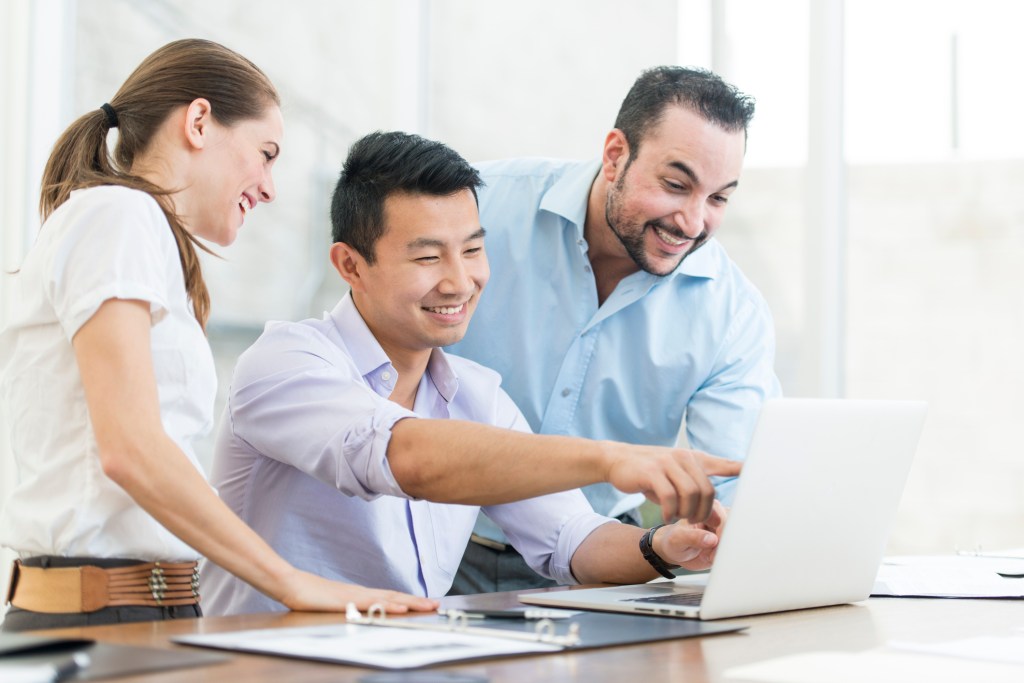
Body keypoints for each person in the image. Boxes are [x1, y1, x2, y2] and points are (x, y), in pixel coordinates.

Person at [201, 131, 739, 615]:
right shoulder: (286, 363)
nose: (461, 282)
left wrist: (663, 546)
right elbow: (405, 456)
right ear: (350, 265)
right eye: (428, 258)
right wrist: (610, 458)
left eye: (473, 250)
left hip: (401, 669)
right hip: (266, 666)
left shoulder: (477, 395)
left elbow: (572, 540)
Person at [0, 39, 435, 633]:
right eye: (266, 152)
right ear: (200, 122)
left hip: (149, 609)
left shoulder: (142, 237)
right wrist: (291, 582)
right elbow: (130, 449)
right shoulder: (116, 216)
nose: (270, 186)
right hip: (97, 614)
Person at [446, 66, 782, 594]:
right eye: (676, 185)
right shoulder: (478, 209)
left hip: (604, 560)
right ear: (614, 155)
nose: (693, 223)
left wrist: (737, 532)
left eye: (718, 199)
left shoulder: (731, 311)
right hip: (437, 538)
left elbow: (737, 478)